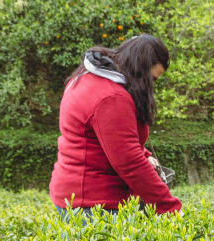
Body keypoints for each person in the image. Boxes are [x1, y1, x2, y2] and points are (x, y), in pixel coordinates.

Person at [49, 34, 182, 218]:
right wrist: (170, 208)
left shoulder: (86, 77)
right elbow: (130, 162)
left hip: (72, 195)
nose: (151, 86)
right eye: (152, 79)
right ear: (139, 69)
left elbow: (107, 139)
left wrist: (146, 156)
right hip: (94, 204)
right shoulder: (112, 98)